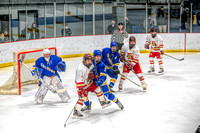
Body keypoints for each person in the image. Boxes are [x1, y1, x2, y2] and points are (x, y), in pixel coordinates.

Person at [74, 53, 111, 118]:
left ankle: (102, 102)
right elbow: (78, 81)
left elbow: (93, 73)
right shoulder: (80, 69)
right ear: (84, 60)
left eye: (90, 60)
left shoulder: (91, 65)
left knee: (98, 89)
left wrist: (94, 77)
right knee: (83, 97)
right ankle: (76, 111)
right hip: (83, 85)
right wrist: (81, 89)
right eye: (88, 60)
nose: (89, 62)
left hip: (89, 82)